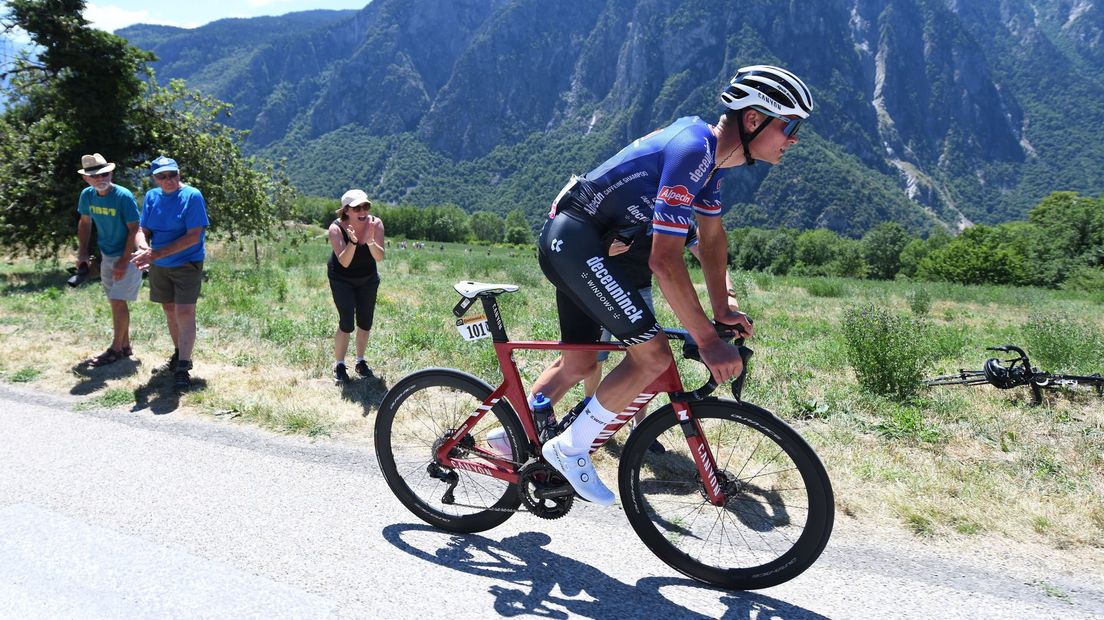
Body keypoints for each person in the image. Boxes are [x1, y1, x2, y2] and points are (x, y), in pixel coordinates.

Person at [532, 65, 811, 505]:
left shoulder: (711, 165)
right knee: (653, 355)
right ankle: (570, 448)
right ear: (753, 119)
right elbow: (665, 259)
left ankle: (511, 442)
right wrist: (706, 339)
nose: (793, 139)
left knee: (584, 364)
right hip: (574, 241)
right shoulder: (692, 151)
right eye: (789, 126)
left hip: (586, 247)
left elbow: (713, 240)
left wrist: (722, 309)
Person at [131, 156, 210, 390]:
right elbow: (142, 229)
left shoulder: (192, 196)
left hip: (187, 263)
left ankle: (183, 368)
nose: (169, 180)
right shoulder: (152, 197)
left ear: (179, 173)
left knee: (185, 312)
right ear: (154, 179)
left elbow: (194, 236)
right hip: (160, 265)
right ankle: (178, 355)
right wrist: (142, 246)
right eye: (162, 176)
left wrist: (154, 254)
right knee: (169, 309)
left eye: (172, 174)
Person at [75, 153, 142, 366]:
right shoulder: (87, 196)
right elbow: (85, 223)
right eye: (94, 176)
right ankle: (125, 346)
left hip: (128, 255)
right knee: (116, 302)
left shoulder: (123, 196)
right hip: (106, 255)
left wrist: (124, 260)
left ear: (111, 172)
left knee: (117, 300)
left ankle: (114, 349)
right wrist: (83, 252)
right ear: (86, 178)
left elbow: (134, 229)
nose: (100, 178)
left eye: (104, 173)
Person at [327, 189, 385, 384]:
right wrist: (352, 242)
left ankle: (360, 361)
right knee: (346, 323)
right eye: (357, 207)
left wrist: (369, 241)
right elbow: (344, 262)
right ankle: (340, 364)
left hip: (368, 278)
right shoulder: (336, 229)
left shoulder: (375, 224)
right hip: (341, 278)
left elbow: (379, 257)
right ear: (346, 211)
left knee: (365, 322)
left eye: (366, 206)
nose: (363, 211)